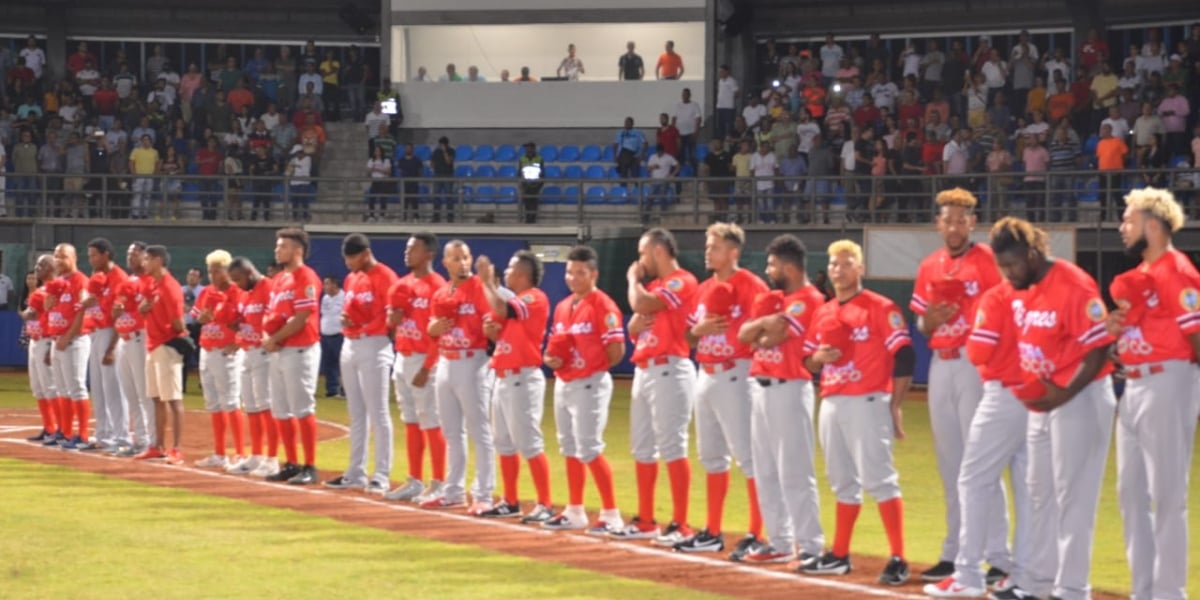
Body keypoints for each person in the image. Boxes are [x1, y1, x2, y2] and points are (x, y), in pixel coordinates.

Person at [988, 217, 1115, 600]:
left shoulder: (1072, 283)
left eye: (1012, 265)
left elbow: (1098, 348)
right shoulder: (1023, 287)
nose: (1008, 275)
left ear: (1031, 254)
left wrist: (1062, 394)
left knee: (1073, 497)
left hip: (1081, 396)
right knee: (1039, 491)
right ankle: (1036, 583)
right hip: (1044, 402)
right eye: (1002, 267)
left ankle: (1073, 589)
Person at [909, 189, 1010, 586]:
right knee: (951, 464)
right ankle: (953, 553)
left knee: (981, 461)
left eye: (961, 219)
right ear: (938, 224)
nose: (953, 226)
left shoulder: (987, 260)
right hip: (941, 363)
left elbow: (1003, 306)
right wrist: (929, 321)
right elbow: (920, 324)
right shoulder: (928, 264)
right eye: (947, 219)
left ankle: (999, 556)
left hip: (974, 362)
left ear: (973, 222)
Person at [802, 240, 912, 586]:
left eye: (847, 263)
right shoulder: (823, 311)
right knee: (842, 482)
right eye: (834, 263)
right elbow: (806, 361)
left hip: (868, 401)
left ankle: (898, 557)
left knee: (880, 479)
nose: (839, 269)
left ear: (860, 268)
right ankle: (839, 555)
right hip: (832, 401)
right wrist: (818, 360)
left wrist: (894, 404)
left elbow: (905, 354)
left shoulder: (880, 307)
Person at [1108, 189, 1199, 600]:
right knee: (1130, 497)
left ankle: (1169, 594)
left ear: (1153, 225)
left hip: (1168, 380)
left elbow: (1196, 337)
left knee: (1167, 496)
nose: (1122, 227)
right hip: (1133, 384)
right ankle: (1143, 592)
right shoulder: (1140, 279)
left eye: (1128, 220)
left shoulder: (1176, 270)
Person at [725, 233, 827, 566]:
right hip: (761, 386)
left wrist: (760, 331)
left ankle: (810, 545)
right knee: (766, 469)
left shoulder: (808, 299)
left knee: (794, 470)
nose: (768, 271)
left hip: (790, 385)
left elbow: (775, 335)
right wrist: (761, 327)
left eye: (772, 265)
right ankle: (780, 540)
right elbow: (744, 337)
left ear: (789, 268)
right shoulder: (776, 301)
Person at [670, 223, 770, 557]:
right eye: (707, 246)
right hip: (706, 373)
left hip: (736, 373)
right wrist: (697, 330)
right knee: (711, 456)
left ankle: (758, 531)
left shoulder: (752, 286)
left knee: (749, 456)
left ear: (733, 252)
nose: (707, 251)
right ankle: (713, 531)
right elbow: (686, 337)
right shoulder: (702, 289)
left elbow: (766, 332)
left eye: (714, 247)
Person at [612, 228, 698, 545]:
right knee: (643, 448)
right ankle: (647, 520)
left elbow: (642, 303)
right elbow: (639, 323)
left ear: (659, 251)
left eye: (643, 252)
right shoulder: (658, 286)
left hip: (670, 369)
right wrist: (635, 323)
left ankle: (682, 524)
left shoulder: (681, 280)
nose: (640, 260)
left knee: (673, 446)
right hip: (646, 369)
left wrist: (633, 281)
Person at [540, 245, 627, 533]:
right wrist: (552, 359)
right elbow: (554, 346)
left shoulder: (604, 305)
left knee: (589, 447)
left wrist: (593, 366)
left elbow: (616, 350)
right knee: (570, 448)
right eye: (569, 272)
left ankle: (611, 513)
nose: (573, 278)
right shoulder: (564, 306)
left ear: (594, 274)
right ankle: (575, 509)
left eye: (580, 272)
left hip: (590, 383)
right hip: (565, 382)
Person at [473, 251, 554, 522]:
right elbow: (493, 328)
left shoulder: (534, 297)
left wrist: (487, 283)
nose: (506, 272)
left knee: (529, 443)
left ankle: (545, 503)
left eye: (510, 268)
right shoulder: (517, 300)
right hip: (504, 376)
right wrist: (492, 329)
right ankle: (510, 500)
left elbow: (501, 310)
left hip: (523, 378)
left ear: (522, 274)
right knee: (504, 443)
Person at [420, 241, 496, 513]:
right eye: (455, 258)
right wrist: (432, 327)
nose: (462, 262)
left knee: (480, 431)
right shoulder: (441, 292)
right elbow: (430, 326)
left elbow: (493, 324)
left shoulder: (479, 287)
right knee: (451, 432)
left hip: (472, 361)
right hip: (446, 361)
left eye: (465, 257)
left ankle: (484, 493)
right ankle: (453, 491)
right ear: (446, 263)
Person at [324, 234, 400, 496]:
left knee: (378, 412)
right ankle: (355, 471)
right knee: (356, 413)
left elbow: (389, 320)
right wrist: (348, 319)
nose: (347, 263)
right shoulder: (352, 278)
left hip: (375, 345)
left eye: (351, 257)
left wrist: (363, 325)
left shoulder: (386, 277)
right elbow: (354, 308)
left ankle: (381, 474)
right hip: (351, 343)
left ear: (365, 254)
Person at [386, 232, 449, 503]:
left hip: (425, 358)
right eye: (407, 248)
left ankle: (439, 482)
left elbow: (442, 331)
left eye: (413, 249)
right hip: (402, 355)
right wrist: (393, 318)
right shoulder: (401, 285)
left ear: (429, 255)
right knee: (410, 421)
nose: (406, 253)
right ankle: (414, 479)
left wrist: (428, 366)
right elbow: (392, 323)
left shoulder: (438, 286)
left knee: (431, 422)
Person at [263, 228, 323, 485]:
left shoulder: (306, 276)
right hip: (279, 350)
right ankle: (290, 462)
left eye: (283, 246)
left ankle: (310, 465)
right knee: (280, 408)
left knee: (302, 407)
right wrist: (268, 336)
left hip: (300, 348)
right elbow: (271, 314)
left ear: (298, 250)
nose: (278, 250)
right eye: (278, 246)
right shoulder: (279, 280)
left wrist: (275, 338)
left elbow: (302, 317)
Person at [191, 250, 247, 469]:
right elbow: (197, 315)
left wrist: (240, 340)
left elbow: (247, 319)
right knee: (214, 403)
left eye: (217, 271)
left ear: (227, 271)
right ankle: (220, 453)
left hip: (227, 352)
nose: (213, 275)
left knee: (231, 401)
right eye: (210, 271)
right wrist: (200, 318)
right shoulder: (206, 292)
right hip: (208, 348)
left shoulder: (237, 291)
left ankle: (241, 453)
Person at [225, 258, 279, 477]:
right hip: (246, 351)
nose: (236, 284)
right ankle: (256, 455)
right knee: (252, 407)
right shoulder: (243, 293)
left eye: (238, 279)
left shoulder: (269, 287)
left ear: (249, 272)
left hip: (264, 352)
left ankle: (272, 458)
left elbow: (275, 318)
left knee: (267, 405)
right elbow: (245, 319)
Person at [135, 245, 189, 465]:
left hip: (167, 345)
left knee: (173, 398)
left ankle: (177, 449)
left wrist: (170, 330)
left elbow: (178, 323)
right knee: (157, 398)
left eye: (147, 259)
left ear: (158, 260)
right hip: (153, 345)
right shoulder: (154, 285)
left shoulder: (169, 286)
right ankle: (157, 446)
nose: (143, 263)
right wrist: (144, 310)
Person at [79, 238, 131, 452]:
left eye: (93, 255)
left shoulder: (119, 277)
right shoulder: (98, 277)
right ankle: (103, 434)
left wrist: (111, 348)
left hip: (112, 333)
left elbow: (120, 315)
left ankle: (122, 437)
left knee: (114, 389)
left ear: (105, 254)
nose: (90, 259)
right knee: (99, 389)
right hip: (96, 332)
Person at [46, 244, 94, 451]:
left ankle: (82, 435)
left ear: (74, 258)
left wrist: (68, 335)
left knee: (76, 386)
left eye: (63, 256)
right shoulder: (58, 283)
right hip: (58, 339)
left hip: (74, 340)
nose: (58, 260)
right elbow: (50, 309)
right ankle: (65, 432)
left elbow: (82, 312)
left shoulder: (80, 281)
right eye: (56, 256)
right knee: (62, 388)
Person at [21, 255, 60, 443]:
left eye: (42, 264)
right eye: (37, 264)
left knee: (50, 387)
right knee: (38, 388)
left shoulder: (56, 290)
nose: (37, 268)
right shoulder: (40, 290)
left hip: (46, 340)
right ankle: (49, 427)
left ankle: (60, 428)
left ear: (53, 267)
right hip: (35, 340)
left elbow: (31, 314)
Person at [319, 275, 345, 398]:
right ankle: (332, 390)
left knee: (343, 364)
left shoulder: (344, 296)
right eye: (324, 284)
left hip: (339, 335)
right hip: (326, 335)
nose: (325, 287)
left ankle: (345, 390)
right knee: (329, 365)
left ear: (335, 285)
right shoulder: (325, 298)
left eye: (327, 283)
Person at [613, 117, 647, 182]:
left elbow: (645, 144)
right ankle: (623, 189)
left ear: (632, 124)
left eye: (628, 123)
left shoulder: (638, 133)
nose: (626, 124)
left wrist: (642, 156)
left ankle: (636, 190)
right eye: (625, 123)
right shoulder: (620, 133)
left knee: (635, 175)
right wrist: (615, 156)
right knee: (623, 175)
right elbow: (615, 145)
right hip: (623, 155)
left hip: (635, 156)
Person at [431, 136, 456, 223]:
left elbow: (449, 162)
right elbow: (432, 164)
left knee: (449, 196)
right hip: (437, 175)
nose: (441, 146)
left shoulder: (451, 151)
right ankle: (436, 216)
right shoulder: (436, 152)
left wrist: (445, 152)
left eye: (442, 145)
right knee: (436, 196)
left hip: (448, 175)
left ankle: (450, 217)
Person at [518, 142, 544, 224]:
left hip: (535, 184)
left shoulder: (539, 159)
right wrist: (521, 184)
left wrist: (539, 184)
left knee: (534, 204)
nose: (528, 150)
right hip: (526, 184)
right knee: (527, 204)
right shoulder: (522, 159)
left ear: (533, 149)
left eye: (529, 148)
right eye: (526, 148)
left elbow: (542, 173)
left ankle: (533, 220)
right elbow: (519, 172)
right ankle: (528, 220)